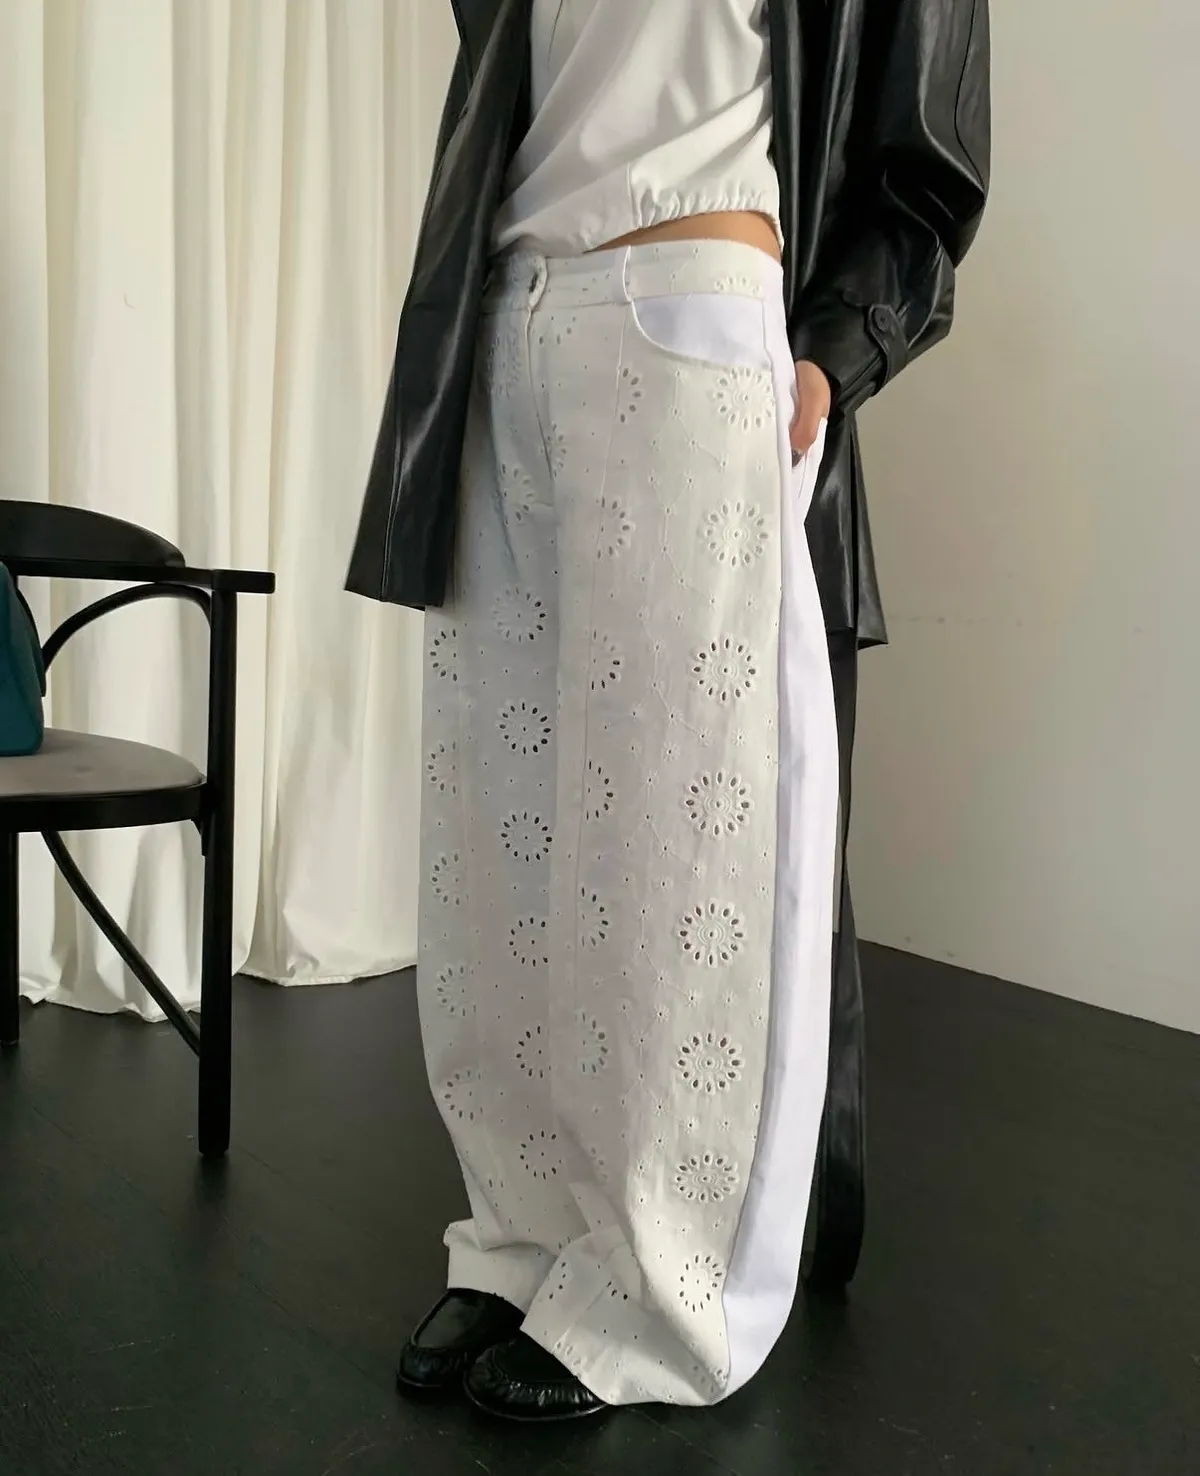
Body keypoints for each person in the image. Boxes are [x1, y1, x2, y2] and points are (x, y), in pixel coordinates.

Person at [348, 0, 990, 1424]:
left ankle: (663, 1287)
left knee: (675, 845)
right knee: (498, 842)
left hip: (688, 302)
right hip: (506, 313)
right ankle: (520, 1240)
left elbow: (930, 152)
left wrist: (828, 355)